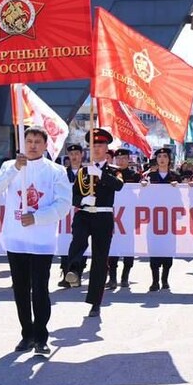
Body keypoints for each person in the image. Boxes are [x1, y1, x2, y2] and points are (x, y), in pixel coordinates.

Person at [0, 126, 71, 353]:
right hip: (15, 239)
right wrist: (15, 168)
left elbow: (63, 204)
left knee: (40, 290)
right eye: (29, 141)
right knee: (21, 290)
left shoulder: (56, 171)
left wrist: (37, 217)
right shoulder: (9, 166)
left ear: (45, 145)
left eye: (37, 141)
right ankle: (27, 334)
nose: (33, 145)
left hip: (42, 241)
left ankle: (41, 336)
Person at [62, 128, 123, 317]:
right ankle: (74, 270)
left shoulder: (114, 170)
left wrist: (100, 174)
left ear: (106, 148)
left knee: (99, 259)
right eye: (94, 145)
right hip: (85, 214)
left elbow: (118, 185)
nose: (97, 148)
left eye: (101, 145)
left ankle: (95, 302)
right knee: (77, 241)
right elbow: (73, 196)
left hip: (103, 217)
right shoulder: (82, 171)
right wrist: (82, 201)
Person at [140, 146, 180, 291]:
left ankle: (165, 279)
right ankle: (155, 280)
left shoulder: (175, 176)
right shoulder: (149, 176)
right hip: (154, 219)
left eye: (165, 157)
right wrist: (143, 187)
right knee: (154, 249)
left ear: (169, 160)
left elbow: (182, 199)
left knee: (168, 250)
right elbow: (142, 198)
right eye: (159, 157)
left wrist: (178, 187)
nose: (162, 159)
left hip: (169, 220)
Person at [107, 147, 139, 289]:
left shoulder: (135, 176)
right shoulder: (109, 173)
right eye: (118, 158)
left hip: (129, 217)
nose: (120, 161)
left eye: (123, 158)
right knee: (112, 247)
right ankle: (112, 277)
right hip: (112, 216)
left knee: (128, 247)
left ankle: (125, 276)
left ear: (128, 160)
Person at [59, 143, 87, 288]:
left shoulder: (88, 172)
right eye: (71, 154)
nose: (74, 157)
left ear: (82, 155)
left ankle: (77, 273)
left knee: (79, 242)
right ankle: (66, 274)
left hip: (82, 212)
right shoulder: (63, 173)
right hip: (65, 211)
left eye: (77, 154)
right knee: (64, 243)